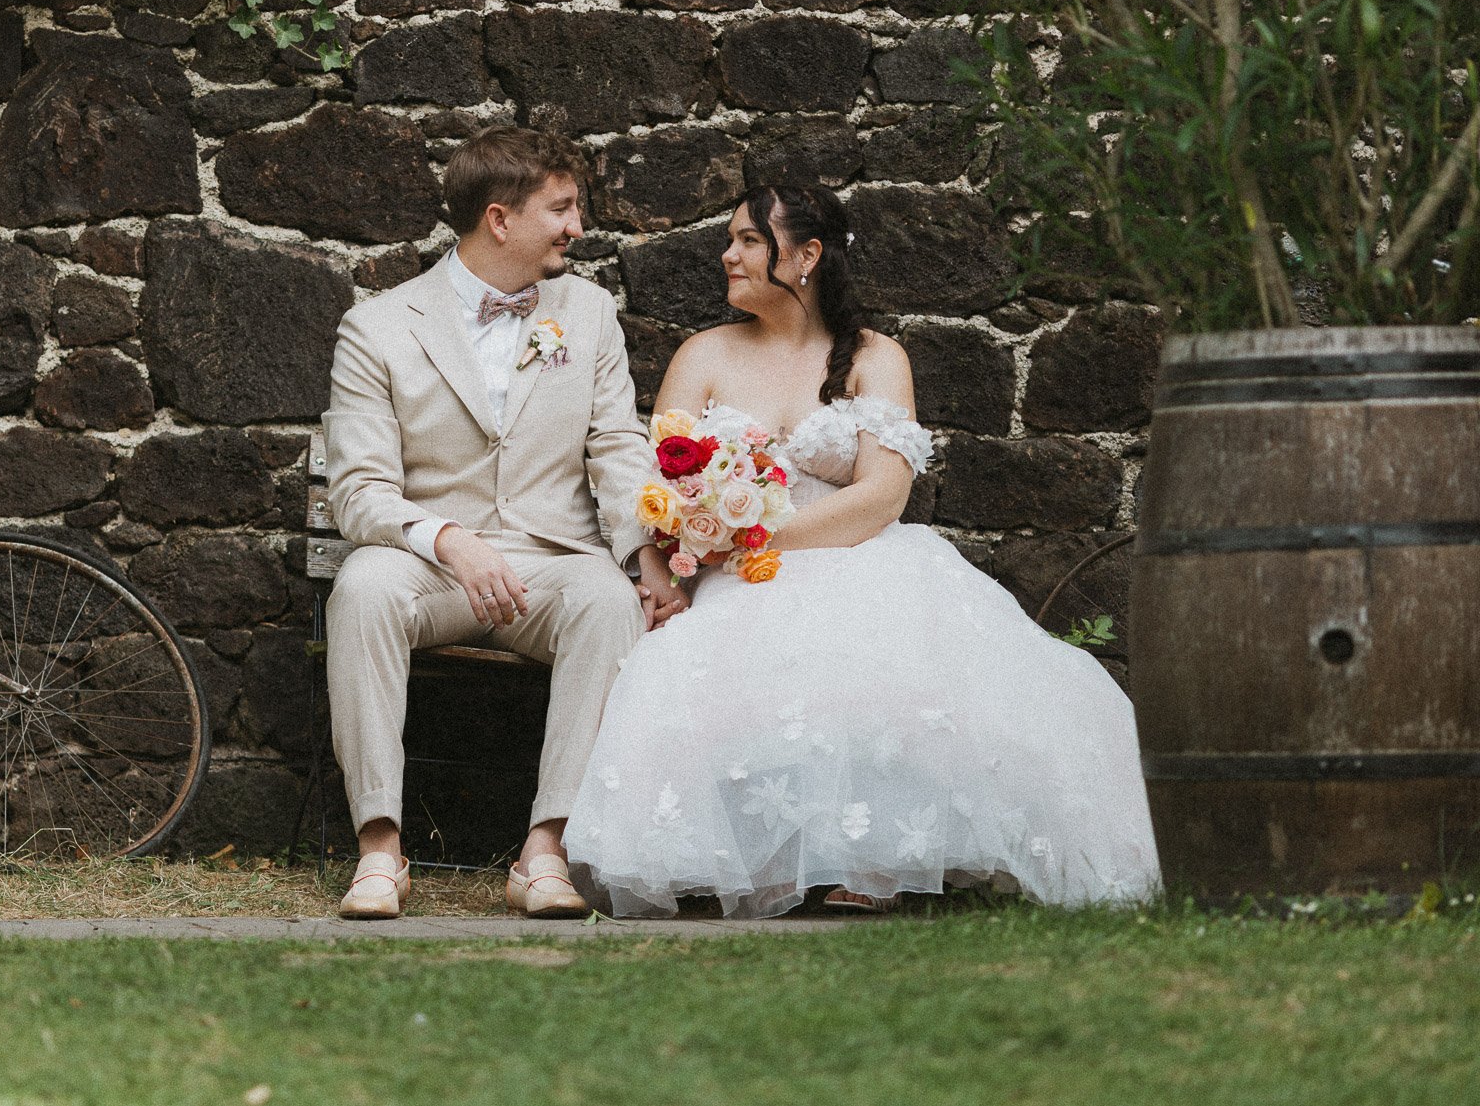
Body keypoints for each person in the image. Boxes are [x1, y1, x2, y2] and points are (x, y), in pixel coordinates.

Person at [564, 184, 1162, 917]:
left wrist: (760, 533)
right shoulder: (704, 354)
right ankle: (751, 859)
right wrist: (698, 539)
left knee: (888, 657)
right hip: (733, 573)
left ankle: (877, 859)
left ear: (807, 255)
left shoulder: (876, 356)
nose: (728, 254)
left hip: (859, 554)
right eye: (732, 239)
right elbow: (663, 481)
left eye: (749, 240)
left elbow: (884, 492)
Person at [321, 126, 688, 920]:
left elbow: (617, 447)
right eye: (561, 208)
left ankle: (545, 849)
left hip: (550, 561)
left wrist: (647, 556)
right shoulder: (378, 327)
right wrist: (449, 540)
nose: (577, 226)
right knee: (361, 588)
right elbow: (357, 490)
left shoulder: (588, 314)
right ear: (500, 218)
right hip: (431, 563)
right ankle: (380, 850)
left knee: (607, 600)